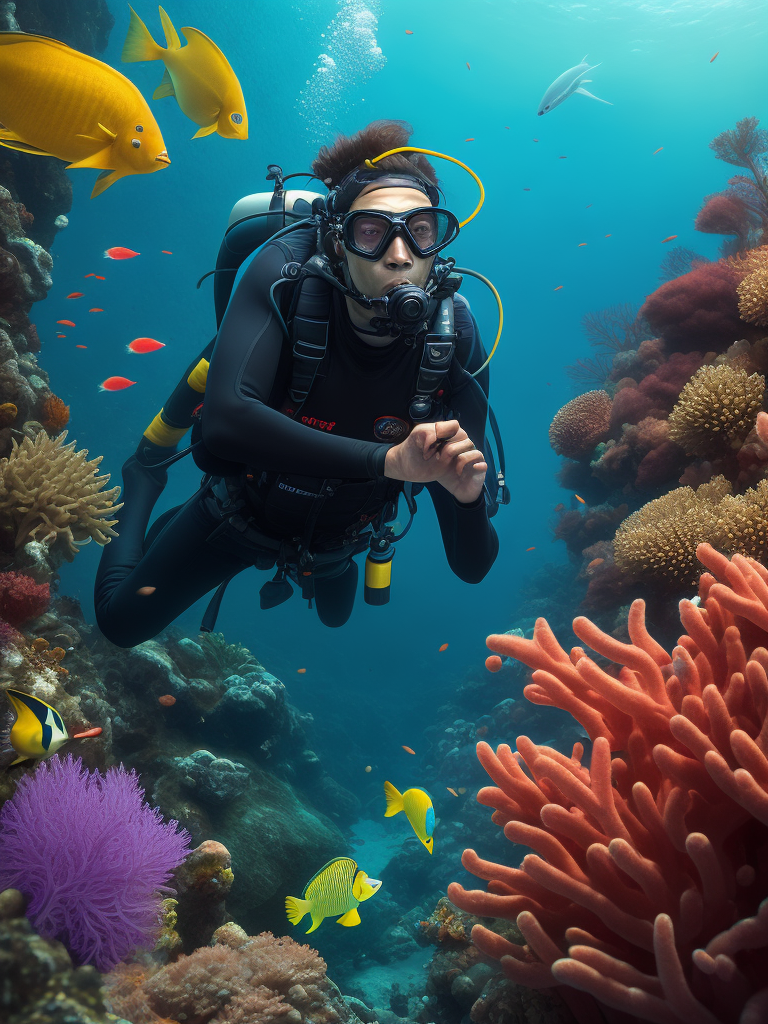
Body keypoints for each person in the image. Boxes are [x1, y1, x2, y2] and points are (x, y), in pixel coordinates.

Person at [94, 120, 501, 648]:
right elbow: (223, 426)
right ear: (337, 240)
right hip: (238, 514)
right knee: (119, 624)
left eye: (420, 230)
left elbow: (472, 567)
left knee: (336, 618)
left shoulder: (456, 338)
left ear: (437, 240)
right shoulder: (285, 276)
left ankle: (319, 567)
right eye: (372, 231)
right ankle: (143, 479)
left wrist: (468, 499)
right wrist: (388, 463)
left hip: (344, 538)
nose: (400, 255)